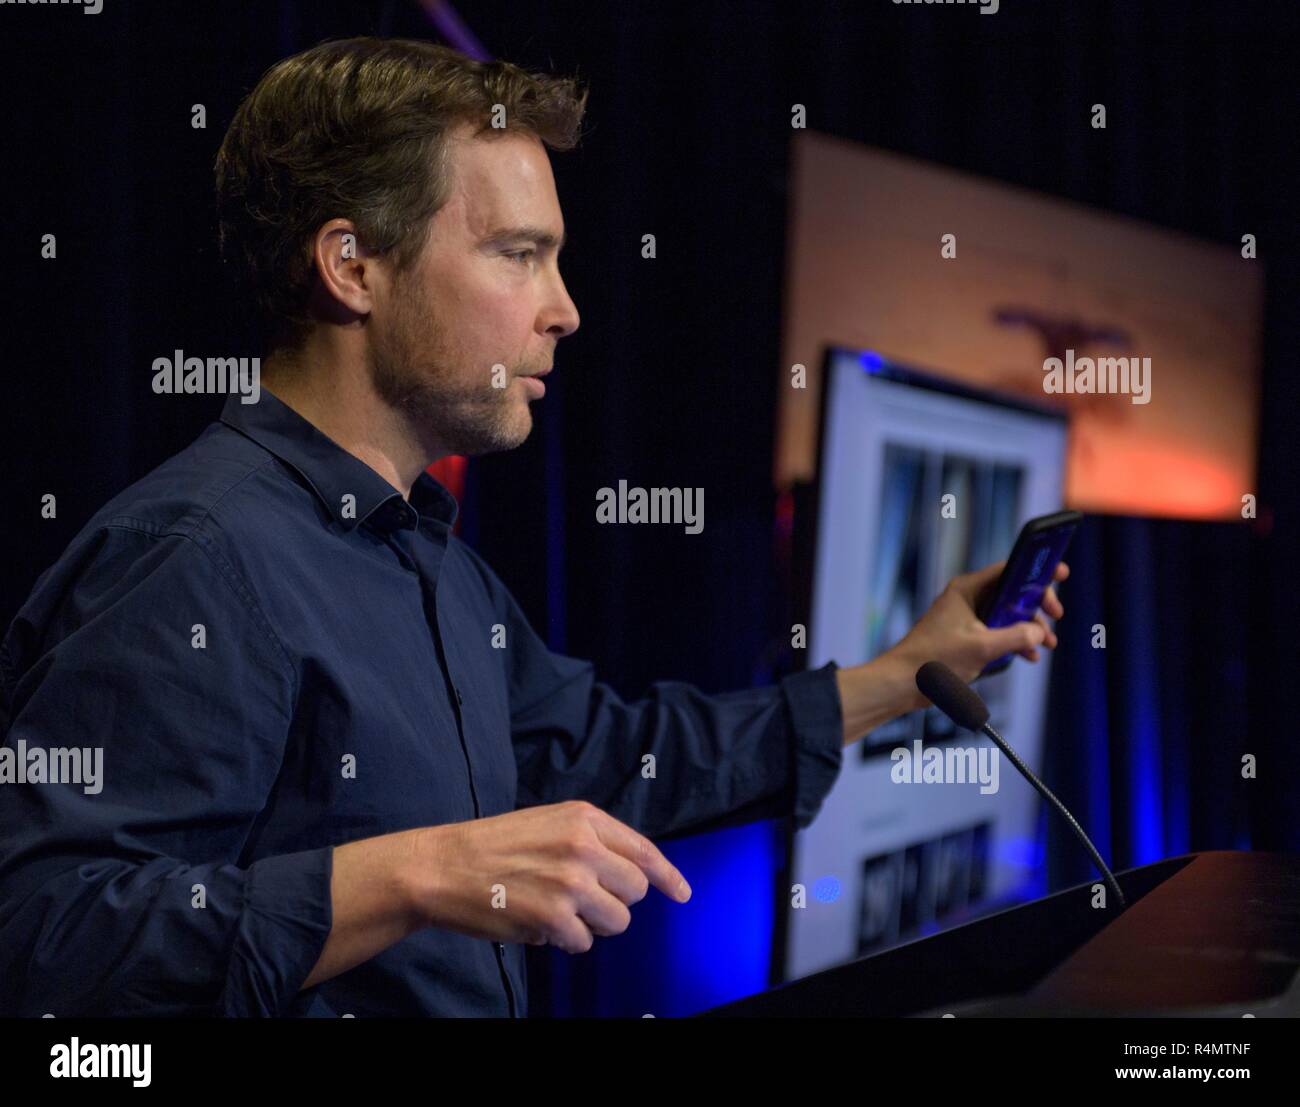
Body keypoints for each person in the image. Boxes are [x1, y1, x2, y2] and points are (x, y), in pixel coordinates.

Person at [0, 38, 1066, 1017]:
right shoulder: (192, 556)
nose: (564, 309)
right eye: (518, 254)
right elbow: (43, 938)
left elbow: (606, 755)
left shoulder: (425, 556)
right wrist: (414, 875)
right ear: (351, 266)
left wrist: (904, 672)